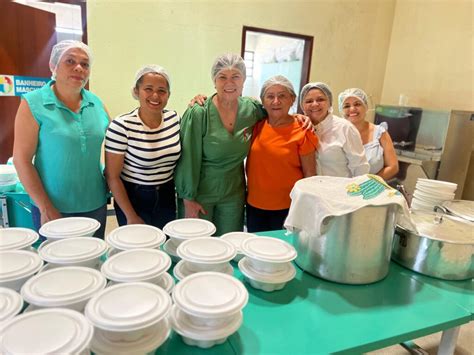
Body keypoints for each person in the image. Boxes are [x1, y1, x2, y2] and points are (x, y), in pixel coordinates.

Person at [13, 40, 109, 237]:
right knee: (57, 265)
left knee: (91, 262)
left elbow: (120, 142)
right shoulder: (34, 103)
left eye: (85, 64)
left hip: (94, 203)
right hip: (53, 206)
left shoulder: (96, 103)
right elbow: (21, 160)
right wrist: (45, 207)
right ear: (53, 66)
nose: (78, 68)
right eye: (70, 61)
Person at [174, 54, 266, 236]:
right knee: (199, 248)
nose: (229, 83)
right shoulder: (199, 113)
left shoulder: (252, 110)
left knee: (229, 245)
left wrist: (300, 118)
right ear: (214, 81)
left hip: (234, 194)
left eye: (235, 77)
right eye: (222, 77)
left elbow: (277, 116)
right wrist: (188, 199)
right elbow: (187, 159)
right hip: (200, 193)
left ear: (243, 80)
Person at [105, 65, 180, 228]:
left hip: (167, 194)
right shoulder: (122, 126)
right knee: (138, 248)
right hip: (134, 197)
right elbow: (112, 176)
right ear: (137, 91)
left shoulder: (175, 119)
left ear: (168, 94)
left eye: (162, 90)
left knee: (164, 244)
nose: (155, 95)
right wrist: (130, 215)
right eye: (148, 89)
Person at [246, 76, 317, 232]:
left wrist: (308, 208)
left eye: (282, 96)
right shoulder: (256, 126)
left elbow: (310, 174)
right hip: (254, 205)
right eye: (270, 96)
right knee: (255, 249)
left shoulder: (303, 129)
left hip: (287, 208)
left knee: (282, 252)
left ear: (292, 99)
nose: (276, 101)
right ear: (263, 102)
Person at [299, 82, 369, 177]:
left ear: (329, 103)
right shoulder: (299, 128)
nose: (315, 104)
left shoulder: (345, 128)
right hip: (309, 189)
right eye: (309, 101)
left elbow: (360, 167)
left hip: (340, 189)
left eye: (320, 99)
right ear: (302, 106)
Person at [338, 88, 399, 181]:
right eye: (346, 106)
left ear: (366, 107)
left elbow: (393, 167)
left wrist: (369, 183)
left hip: (371, 190)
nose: (352, 109)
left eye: (357, 104)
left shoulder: (379, 133)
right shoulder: (336, 133)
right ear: (341, 110)